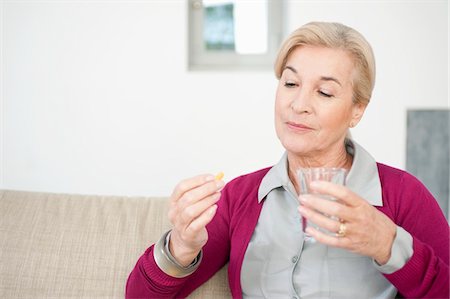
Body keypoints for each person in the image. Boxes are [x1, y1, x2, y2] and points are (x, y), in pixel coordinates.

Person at [126, 22, 449, 298]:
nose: (299, 104)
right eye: (291, 83)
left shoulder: (402, 194)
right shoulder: (240, 197)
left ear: (357, 110)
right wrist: (180, 246)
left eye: (324, 92)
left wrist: (388, 245)